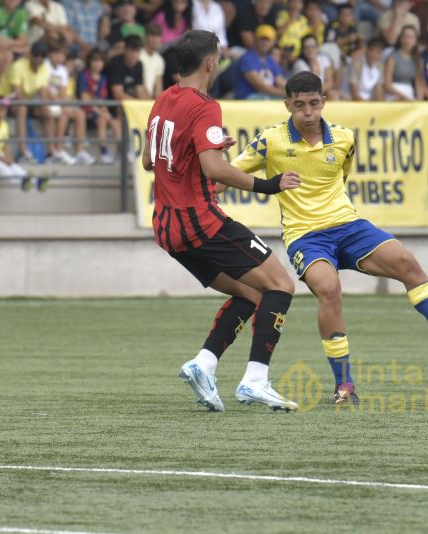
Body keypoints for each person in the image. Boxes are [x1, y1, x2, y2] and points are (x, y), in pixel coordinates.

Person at [232, 71, 428, 405]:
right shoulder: (270, 140)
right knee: (328, 288)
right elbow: (229, 173)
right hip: (305, 236)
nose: (308, 112)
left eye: (314, 103)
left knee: (406, 262)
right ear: (287, 104)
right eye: (300, 105)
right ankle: (344, 385)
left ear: (324, 101)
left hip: (348, 226)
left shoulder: (344, 138)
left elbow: (342, 177)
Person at [142, 29, 302, 412]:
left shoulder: (163, 98)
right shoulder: (205, 106)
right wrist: (268, 185)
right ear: (211, 63)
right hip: (201, 222)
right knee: (281, 285)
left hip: (167, 227)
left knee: (250, 294)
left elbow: (149, 160)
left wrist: (204, 148)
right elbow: (214, 169)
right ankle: (255, 380)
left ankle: (204, 364)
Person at [0, 40, 52, 164]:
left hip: (27, 101)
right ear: (30, 55)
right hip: (4, 100)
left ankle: (51, 152)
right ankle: (23, 152)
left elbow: (44, 92)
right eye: (36, 55)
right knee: (22, 108)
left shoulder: (45, 69)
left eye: (42, 56)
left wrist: (46, 106)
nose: (39, 59)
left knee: (47, 112)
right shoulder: (17, 66)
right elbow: (17, 94)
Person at [0, 99, 46, 192]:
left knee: (15, 167)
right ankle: (22, 182)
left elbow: (5, 144)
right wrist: (1, 158)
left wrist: (8, 157)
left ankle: (36, 181)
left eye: (2, 110)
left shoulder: (4, 125)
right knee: (3, 170)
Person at [77, 47, 121, 164]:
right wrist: (101, 112)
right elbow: (85, 99)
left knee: (116, 123)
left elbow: (102, 100)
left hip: (99, 111)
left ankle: (120, 152)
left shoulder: (103, 78)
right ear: (89, 62)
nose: (98, 64)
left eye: (100, 61)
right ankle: (104, 152)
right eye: (95, 60)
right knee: (102, 120)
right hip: (87, 112)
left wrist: (105, 111)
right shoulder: (84, 75)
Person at [0, 0, 30, 89]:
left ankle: (20, 90)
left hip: (11, 47)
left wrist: (7, 43)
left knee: (28, 51)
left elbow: (23, 40)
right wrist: (13, 43)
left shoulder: (21, 12)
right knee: (2, 56)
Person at [233, 24, 286, 99]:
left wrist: (293, 90)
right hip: (247, 99)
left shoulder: (270, 60)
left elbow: (280, 81)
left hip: (266, 97)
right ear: (255, 40)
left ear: (273, 42)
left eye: (267, 40)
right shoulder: (246, 58)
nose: (264, 43)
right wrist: (286, 93)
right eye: (261, 39)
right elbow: (260, 86)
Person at [383, 24, 424, 101]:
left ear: (415, 41)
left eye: (411, 37)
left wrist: (419, 100)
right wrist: (403, 97)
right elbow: (387, 84)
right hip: (394, 95)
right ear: (400, 39)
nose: (407, 40)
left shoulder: (418, 60)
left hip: (409, 94)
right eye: (405, 36)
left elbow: (419, 82)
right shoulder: (392, 58)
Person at [107, 34, 150, 100]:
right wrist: (137, 104)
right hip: (111, 102)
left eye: (137, 51)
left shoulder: (139, 65)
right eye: (131, 50)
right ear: (125, 49)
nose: (134, 55)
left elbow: (140, 90)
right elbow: (118, 94)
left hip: (130, 101)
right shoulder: (116, 63)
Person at [348, 36, 384, 101]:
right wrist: (365, 104)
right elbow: (354, 91)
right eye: (372, 51)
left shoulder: (380, 67)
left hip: (369, 101)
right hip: (351, 99)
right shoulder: (356, 64)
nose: (374, 55)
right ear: (366, 50)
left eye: (378, 53)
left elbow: (378, 89)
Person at [141, 22, 166, 97]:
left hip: (149, 101)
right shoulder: (138, 55)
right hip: (134, 100)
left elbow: (158, 88)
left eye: (158, 36)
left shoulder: (159, 60)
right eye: (152, 35)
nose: (156, 39)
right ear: (145, 37)